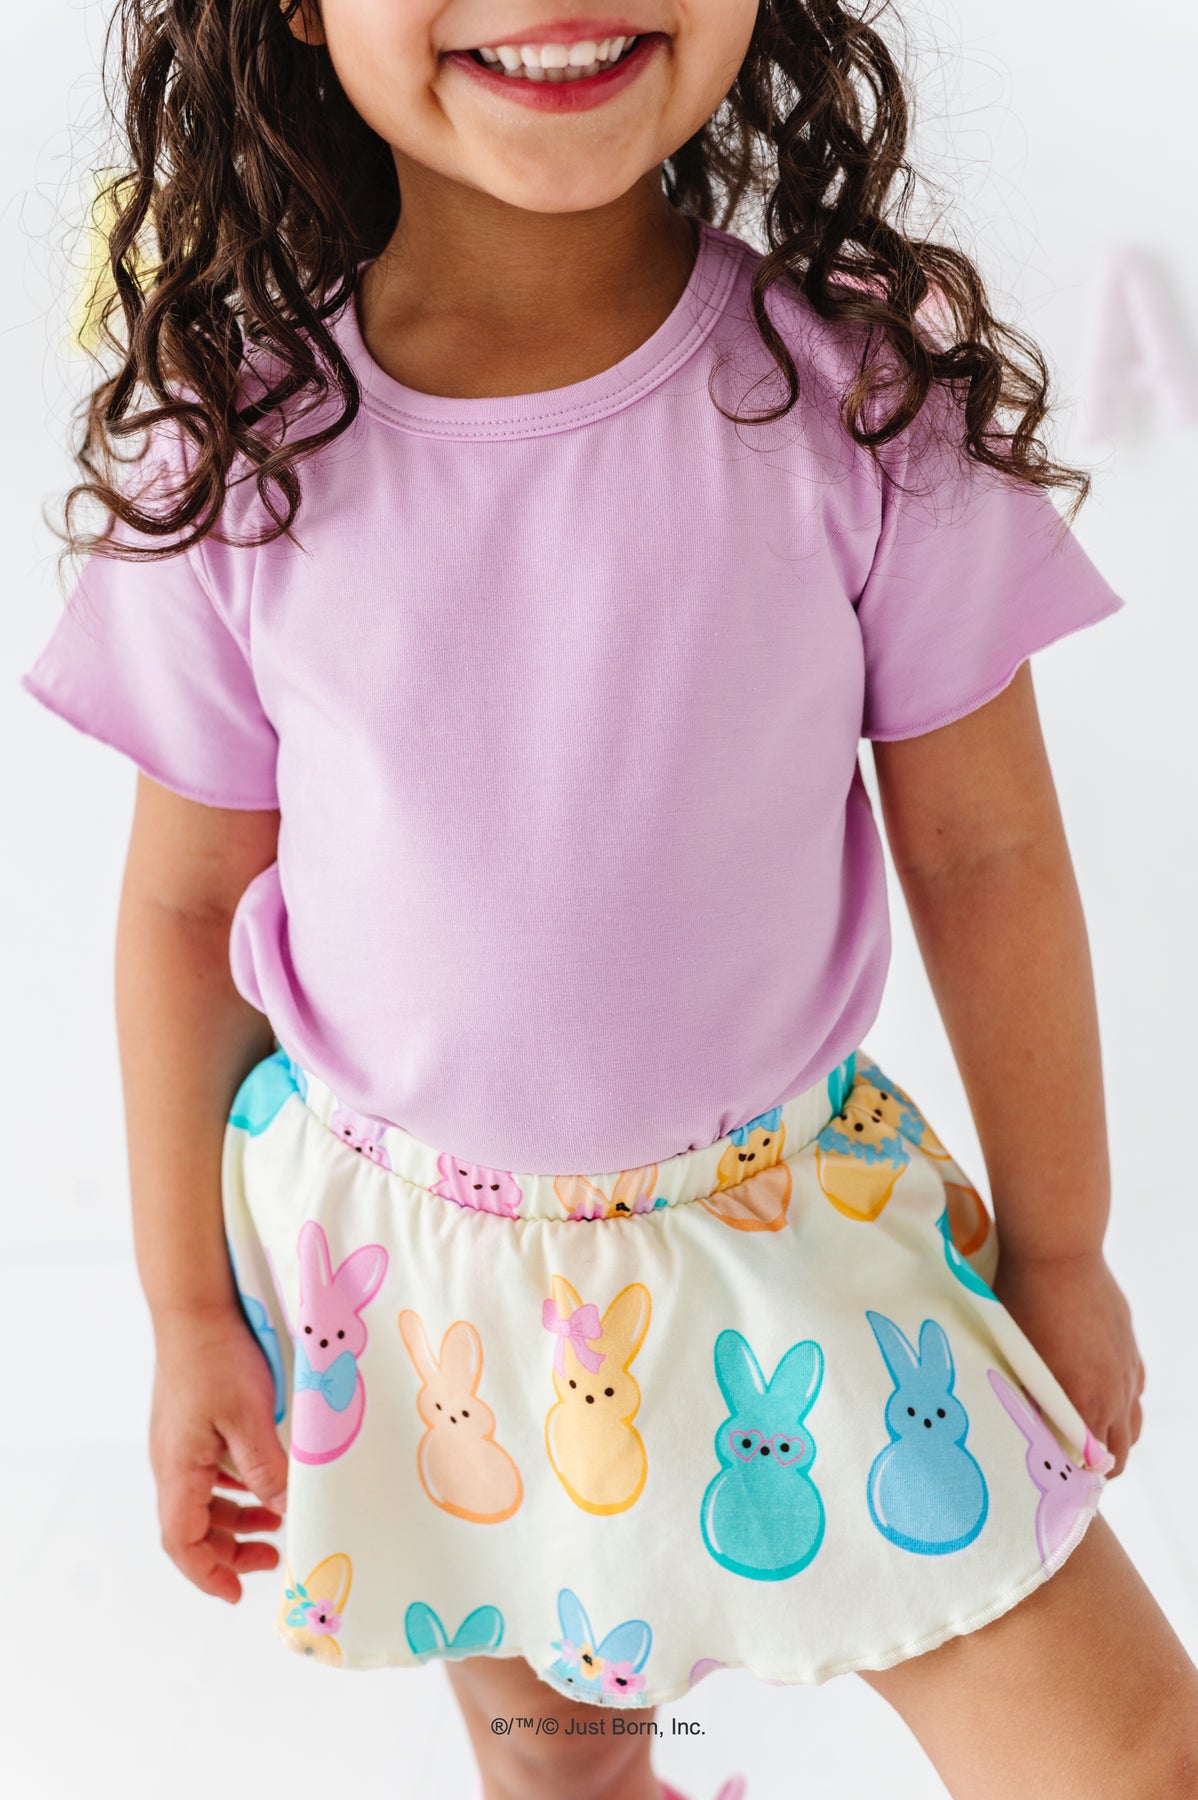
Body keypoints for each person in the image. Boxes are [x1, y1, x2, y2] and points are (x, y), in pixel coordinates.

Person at [19, 3, 1198, 1797]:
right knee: (563, 1779)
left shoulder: (859, 407)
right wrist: (191, 1315)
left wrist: (1061, 1245)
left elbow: (985, 859)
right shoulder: (240, 451)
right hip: (429, 1304)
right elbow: (189, 916)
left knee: (1123, 1758)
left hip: (802, 1258)